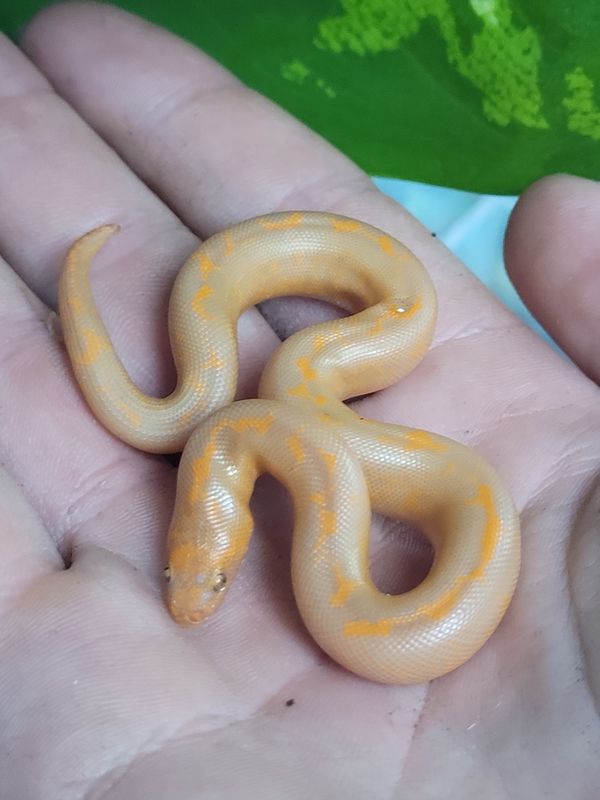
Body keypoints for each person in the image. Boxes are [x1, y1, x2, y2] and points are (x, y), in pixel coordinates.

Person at [1, 3, 598, 797]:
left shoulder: (290, 420)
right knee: (280, 375)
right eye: (205, 578)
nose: (197, 595)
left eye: (204, 578)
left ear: (212, 514)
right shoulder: (287, 433)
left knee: (289, 374)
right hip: (297, 411)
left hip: (318, 388)